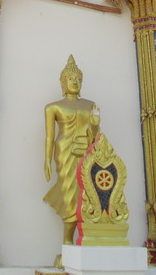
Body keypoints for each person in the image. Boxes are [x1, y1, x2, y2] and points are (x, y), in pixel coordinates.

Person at [44, 55, 100, 245]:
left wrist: (95, 124)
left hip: (85, 151)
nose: (74, 82)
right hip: (65, 153)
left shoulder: (90, 105)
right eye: (70, 78)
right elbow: (50, 137)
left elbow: (95, 136)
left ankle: (84, 240)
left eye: (78, 79)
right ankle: (67, 241)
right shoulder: (53, 107)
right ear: (63, 82)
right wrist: (47, 160)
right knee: (69, 193)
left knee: (86, 193)